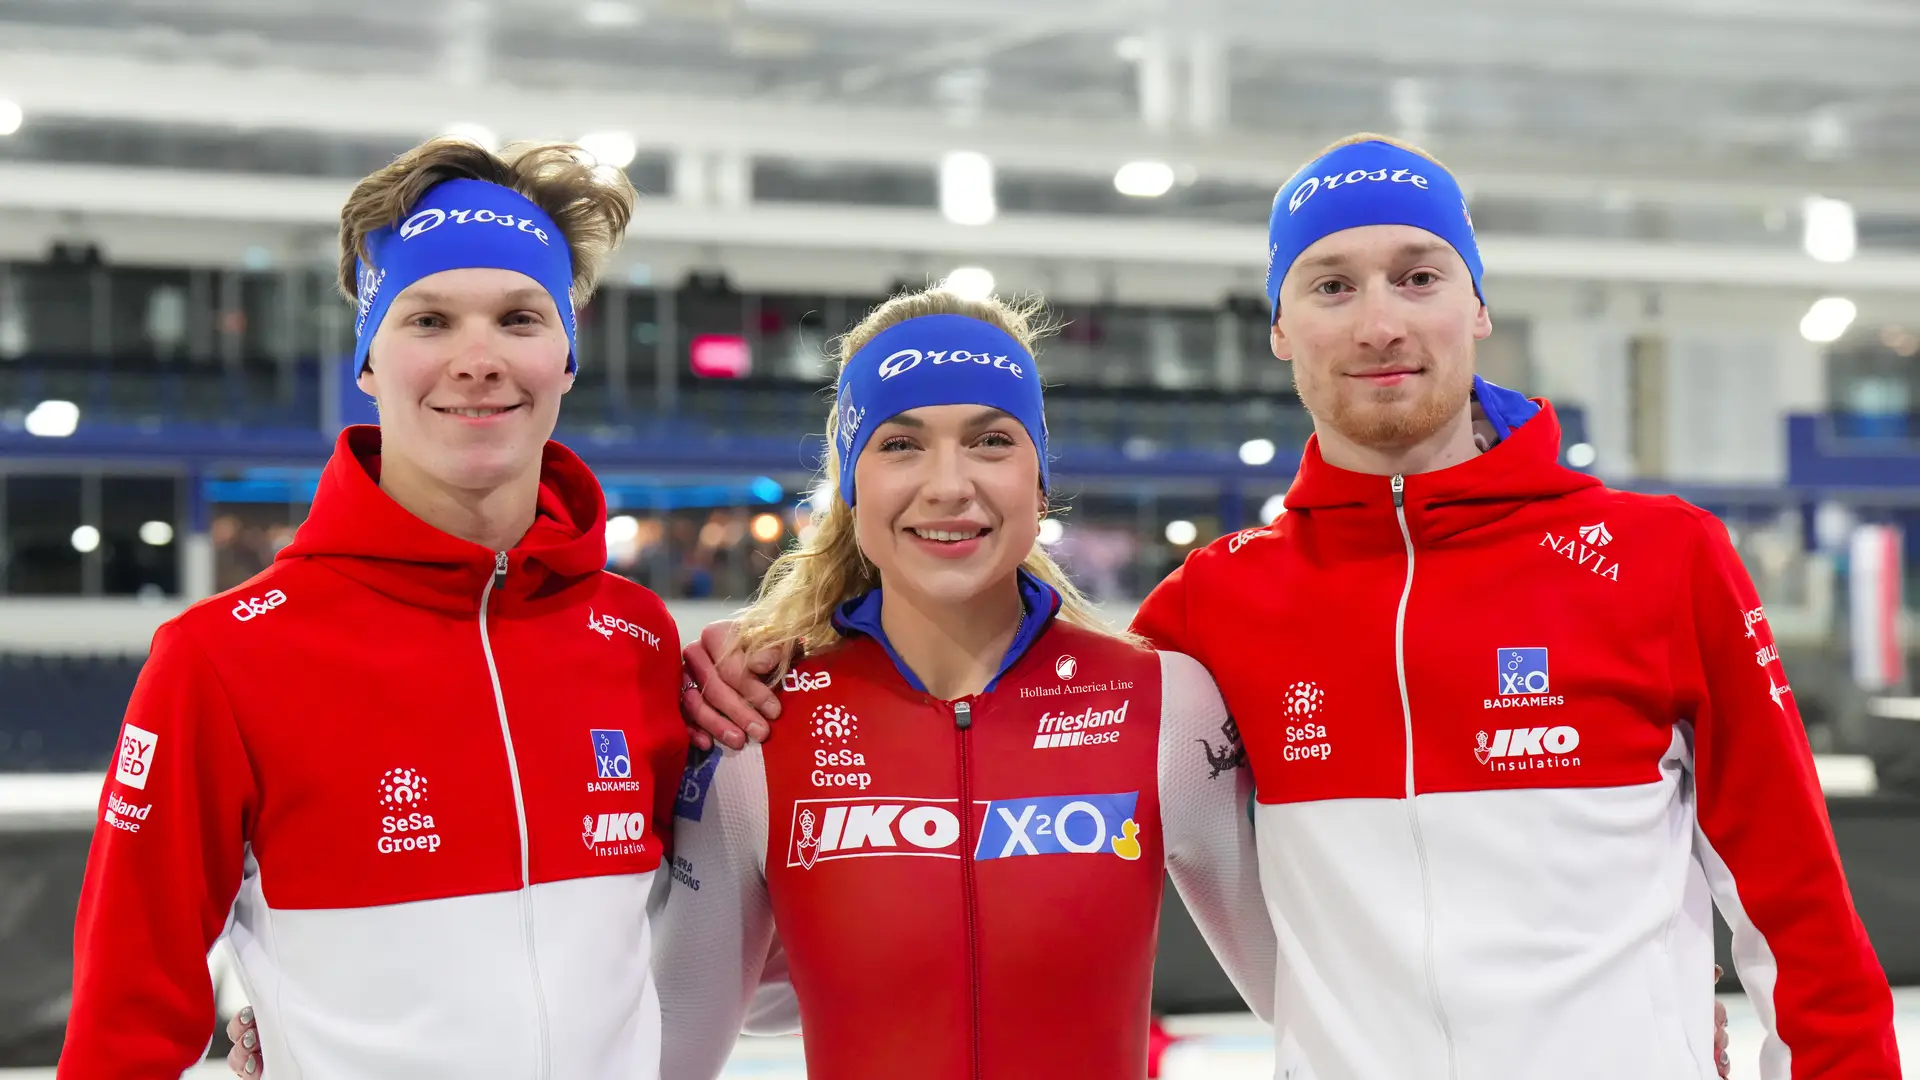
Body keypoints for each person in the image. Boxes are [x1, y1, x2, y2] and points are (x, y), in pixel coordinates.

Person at [683, 134, 1870, 1080]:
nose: (1379, 320)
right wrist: (762, 658)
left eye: (1419, 275)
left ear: (1477, 304)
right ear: (1281, 328)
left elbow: (1798, 911)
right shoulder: (1214, 611)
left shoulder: (1663, 560)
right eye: (1333, 284)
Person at [59, 137, 689, 1079]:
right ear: (367, 358)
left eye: (520, 318)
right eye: (429, 320)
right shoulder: (220, 659)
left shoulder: (638, 639)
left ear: (567, 355)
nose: (477, 362)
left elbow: (689, 939)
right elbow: (124, 1017)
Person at [651, 289, 1277, 1080]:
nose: (948, 485)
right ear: (852, 488)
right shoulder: (757, 733)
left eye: (989, 440)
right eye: (901, 445)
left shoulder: (1165, 708)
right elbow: (668, 1048)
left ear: (1039, 480)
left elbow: (1317, 1001)